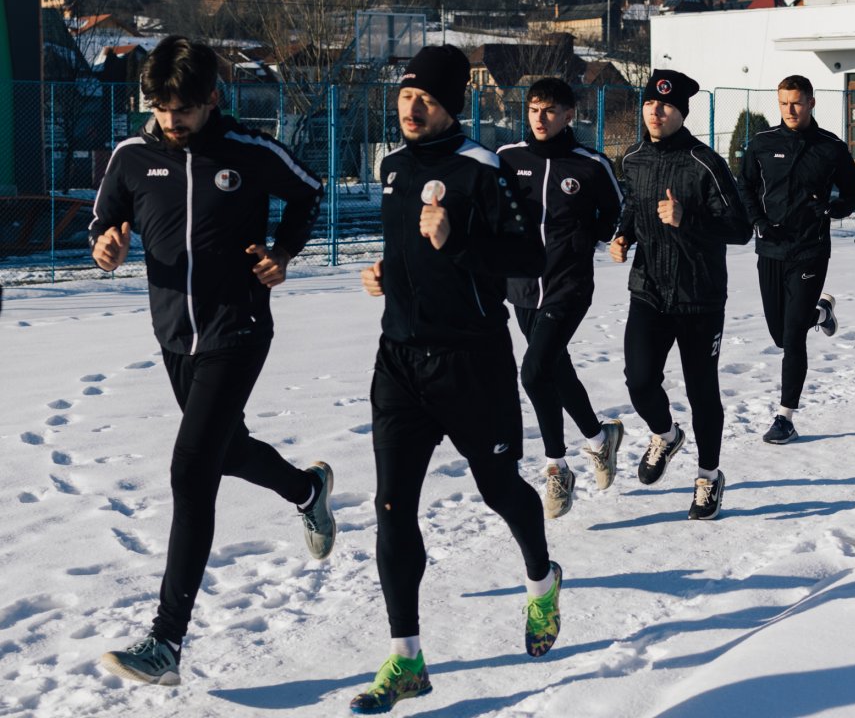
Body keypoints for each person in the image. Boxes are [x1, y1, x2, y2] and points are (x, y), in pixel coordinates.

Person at [90, 36, 332, 686]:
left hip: (239, 329)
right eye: (162, 108)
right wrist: (105, 247)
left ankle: (166, 642)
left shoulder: (249, 151)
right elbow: (104, 220)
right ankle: (307, 490)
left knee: (192, 468)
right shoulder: (132, 157)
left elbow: (310, 191)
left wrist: (283, 252)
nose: (173, 120)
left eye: (186, 109)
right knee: (225, 451)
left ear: (212, 99)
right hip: (175, 337)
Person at [354, 46, 559, 714]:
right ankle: (406, 657)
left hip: (471, 363)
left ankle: (542, 582)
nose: (411, 108)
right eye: (405, 96)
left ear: (451, 106)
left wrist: (457, 243)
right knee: (392, 508)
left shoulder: (482, 169)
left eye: (427, 99)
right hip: (399, 361)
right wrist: (385, 274)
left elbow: (529, 255)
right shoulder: (391, 168)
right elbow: (405, 250)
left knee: (499, 489)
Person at [610, 69, 751, 520]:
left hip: (699, 296)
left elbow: (740, 229)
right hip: (648, 290)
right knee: (639, 380)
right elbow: (634, 207)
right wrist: (623, 235)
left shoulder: (705, 163)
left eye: (666, 105)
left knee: (701, 390)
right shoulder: (633, 158)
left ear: (682, 113)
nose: (656, 111)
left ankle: (708, 477)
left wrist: (687, 217)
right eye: (651, 103)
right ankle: (666, 435)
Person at [497, 77, 624, 518]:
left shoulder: (589, 164)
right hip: (521, 286)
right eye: (534, 109)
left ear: (569, 115)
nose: (540, 118)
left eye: (549, 110)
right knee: (555, 368)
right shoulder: (507, 158)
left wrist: (592, 236)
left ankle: (557, 468)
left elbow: (615, 211)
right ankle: (599, 438)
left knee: (534, 373)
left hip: (569, 285)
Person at [738, 75, 855, 444]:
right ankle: (820, 314)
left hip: (810, 249)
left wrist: (832, 208)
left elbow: (853, 193)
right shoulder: (762, 143)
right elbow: (744, 186)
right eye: (783, 103)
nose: (789, 109)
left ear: (811, 102)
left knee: (793, 337)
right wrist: (758, 222)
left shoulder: (831, 147)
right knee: (779, 334)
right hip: (770, 248)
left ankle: (785, 417)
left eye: (796, 102)